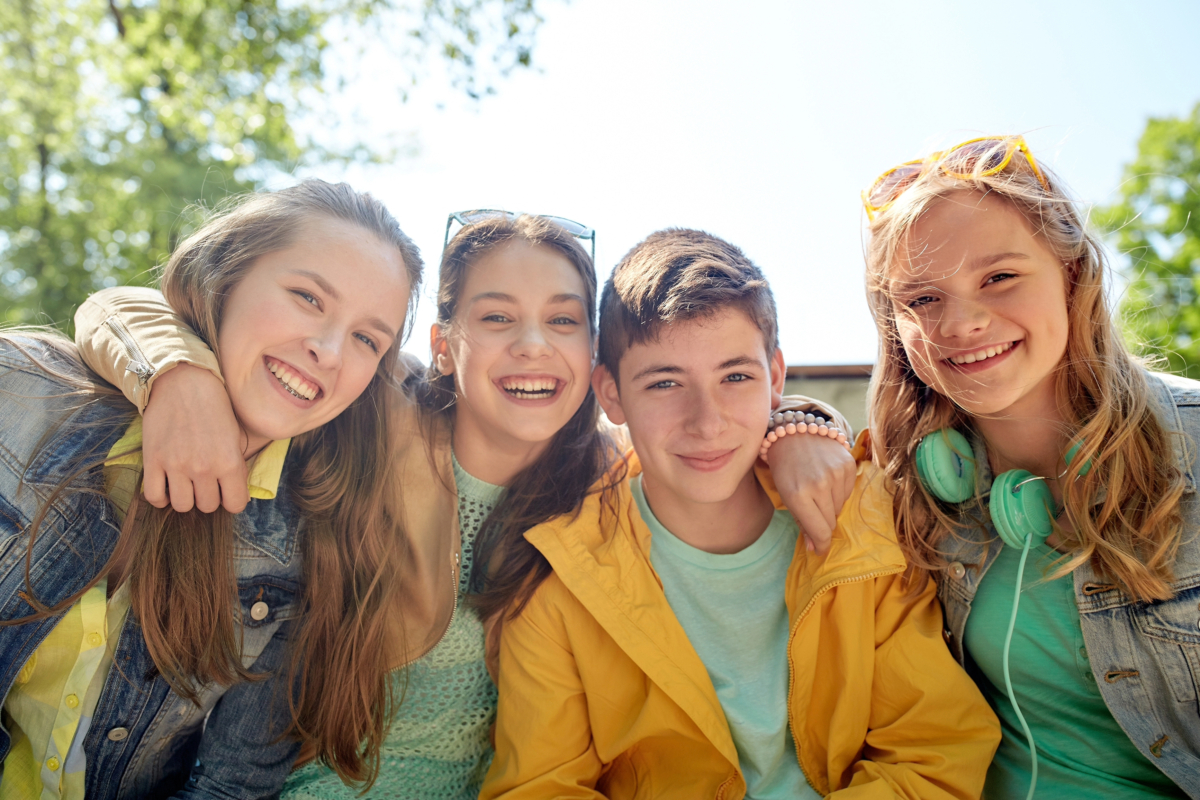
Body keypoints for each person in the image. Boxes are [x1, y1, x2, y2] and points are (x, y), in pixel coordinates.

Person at [74, 212, 858, 798]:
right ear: (445, 345)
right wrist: (175, 374)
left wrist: (800, 421)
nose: (532, 343)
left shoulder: (604, 487)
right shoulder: (370, 421)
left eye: (561, 320)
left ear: (593, 360)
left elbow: (712, 422)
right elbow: (118, 308)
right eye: (496, 318)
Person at [481, 228, 1000, 799]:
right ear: (611, 395)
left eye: (735, 377)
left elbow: (934, 755)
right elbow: (538, 788)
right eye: (664, 382)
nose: (707, 421)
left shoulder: (864, 522)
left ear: (775, 378)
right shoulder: (561, 575)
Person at [0, 179, 422, 799]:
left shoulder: (317, 540)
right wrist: (172, 372)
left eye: (367, 339)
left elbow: (230, 785)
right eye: (308, 297)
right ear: (225, 276)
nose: (329, 351)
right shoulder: (19, 392)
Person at [861, 135, 1196, 798]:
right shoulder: (912, 489)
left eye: (999, 277)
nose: (961, 324)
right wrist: (797, 423)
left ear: (1073, 274)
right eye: (922, 299)